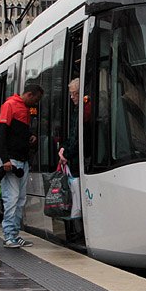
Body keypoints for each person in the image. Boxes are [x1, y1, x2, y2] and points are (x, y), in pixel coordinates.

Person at [0, 83, 44, 248]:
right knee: (12, 198)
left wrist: (29, 136)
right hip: (13, 160)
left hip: (21, 160)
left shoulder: (22, 108)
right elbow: (1, 133)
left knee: (20, 199)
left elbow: (12, 132)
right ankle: (9, 235)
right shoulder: (10, 105)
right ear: (30, 95)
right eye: (36, 99)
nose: (36, 103)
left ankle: (14, 234)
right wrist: (5, 159)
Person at [58, 78, 84, 241]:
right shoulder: (79, 110)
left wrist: (65, 153)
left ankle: (78, 230)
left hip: (75, 160)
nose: (72, 97)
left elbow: (76, 136)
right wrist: (64, 150)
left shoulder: (82, 110)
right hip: (73, 157)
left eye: (74, 94)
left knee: (76, 195)